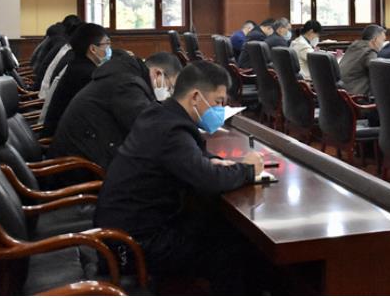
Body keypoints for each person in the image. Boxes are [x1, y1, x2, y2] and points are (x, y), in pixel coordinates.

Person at [94, 61, 264, 294]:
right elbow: (209, 180)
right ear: (195, 97)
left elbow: (191, 158)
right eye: (218, 102)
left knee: (218, 224)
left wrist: (210, 160)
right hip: (133, 244)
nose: (220, 110)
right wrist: (247, 170)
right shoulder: (172, 130)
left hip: (127, 230)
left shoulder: (160, 114)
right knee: (231, 247)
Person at [48, 51, 182, 174]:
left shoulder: (124, 75)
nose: (169, 93)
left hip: (82, 160)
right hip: (79, 173)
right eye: (170, 87)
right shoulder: (126, 85)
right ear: (158, 74)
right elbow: (150, 129)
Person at [41, 23, 111, 137]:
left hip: (63, 132)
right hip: (64, 140)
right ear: (93, 49)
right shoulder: (87, 74)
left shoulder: (78, 65)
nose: (109, 49)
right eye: (107, 44)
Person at [339, 24, 386, 96]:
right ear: (375, 40)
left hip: (342, 93)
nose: (383, 44)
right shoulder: (369, 52)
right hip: (355, 96)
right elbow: (379, 73)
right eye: (383, 40)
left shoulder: (353, 47)